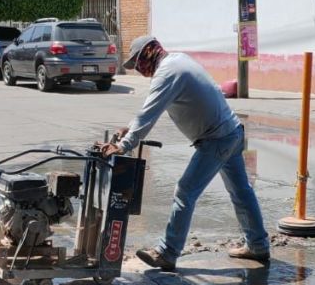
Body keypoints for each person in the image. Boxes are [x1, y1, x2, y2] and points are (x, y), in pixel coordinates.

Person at [102, 34, 269, 272]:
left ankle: (167, 252)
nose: (138, 69)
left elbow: (149, 113)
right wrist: (130, 130)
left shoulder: (168, 73)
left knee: (185, 191)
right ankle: (258, 245)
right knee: (241, 192)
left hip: (216, 139)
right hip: (231, 132)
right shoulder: (177, 61)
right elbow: (153, 109)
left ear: (148, 54)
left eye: (138, 63)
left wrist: (124, 145)